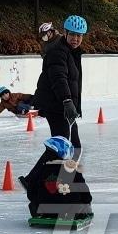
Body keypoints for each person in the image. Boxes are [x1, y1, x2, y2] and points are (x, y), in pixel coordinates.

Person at [32, 15, 86, 154]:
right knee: (62, 147)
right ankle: (39, 177)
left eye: (79, 35)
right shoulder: (58, 51)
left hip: (65, 107)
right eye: (72, 34)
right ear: (65, 33)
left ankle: (72, 177)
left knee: (73, 147)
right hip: (57, 105)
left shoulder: (72, 52)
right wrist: (67, 101)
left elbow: (73, 82)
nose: (76, 39)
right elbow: (59, 79)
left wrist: (73, 105)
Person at [21, 136, 93, 223]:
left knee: (34, 205)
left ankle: (41, 213)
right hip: (70, 210)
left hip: (44, 210)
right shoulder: (73, 170)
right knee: (82, 206)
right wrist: (87, 203)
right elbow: (85, 192)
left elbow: (31, 193)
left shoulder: (40, 170)